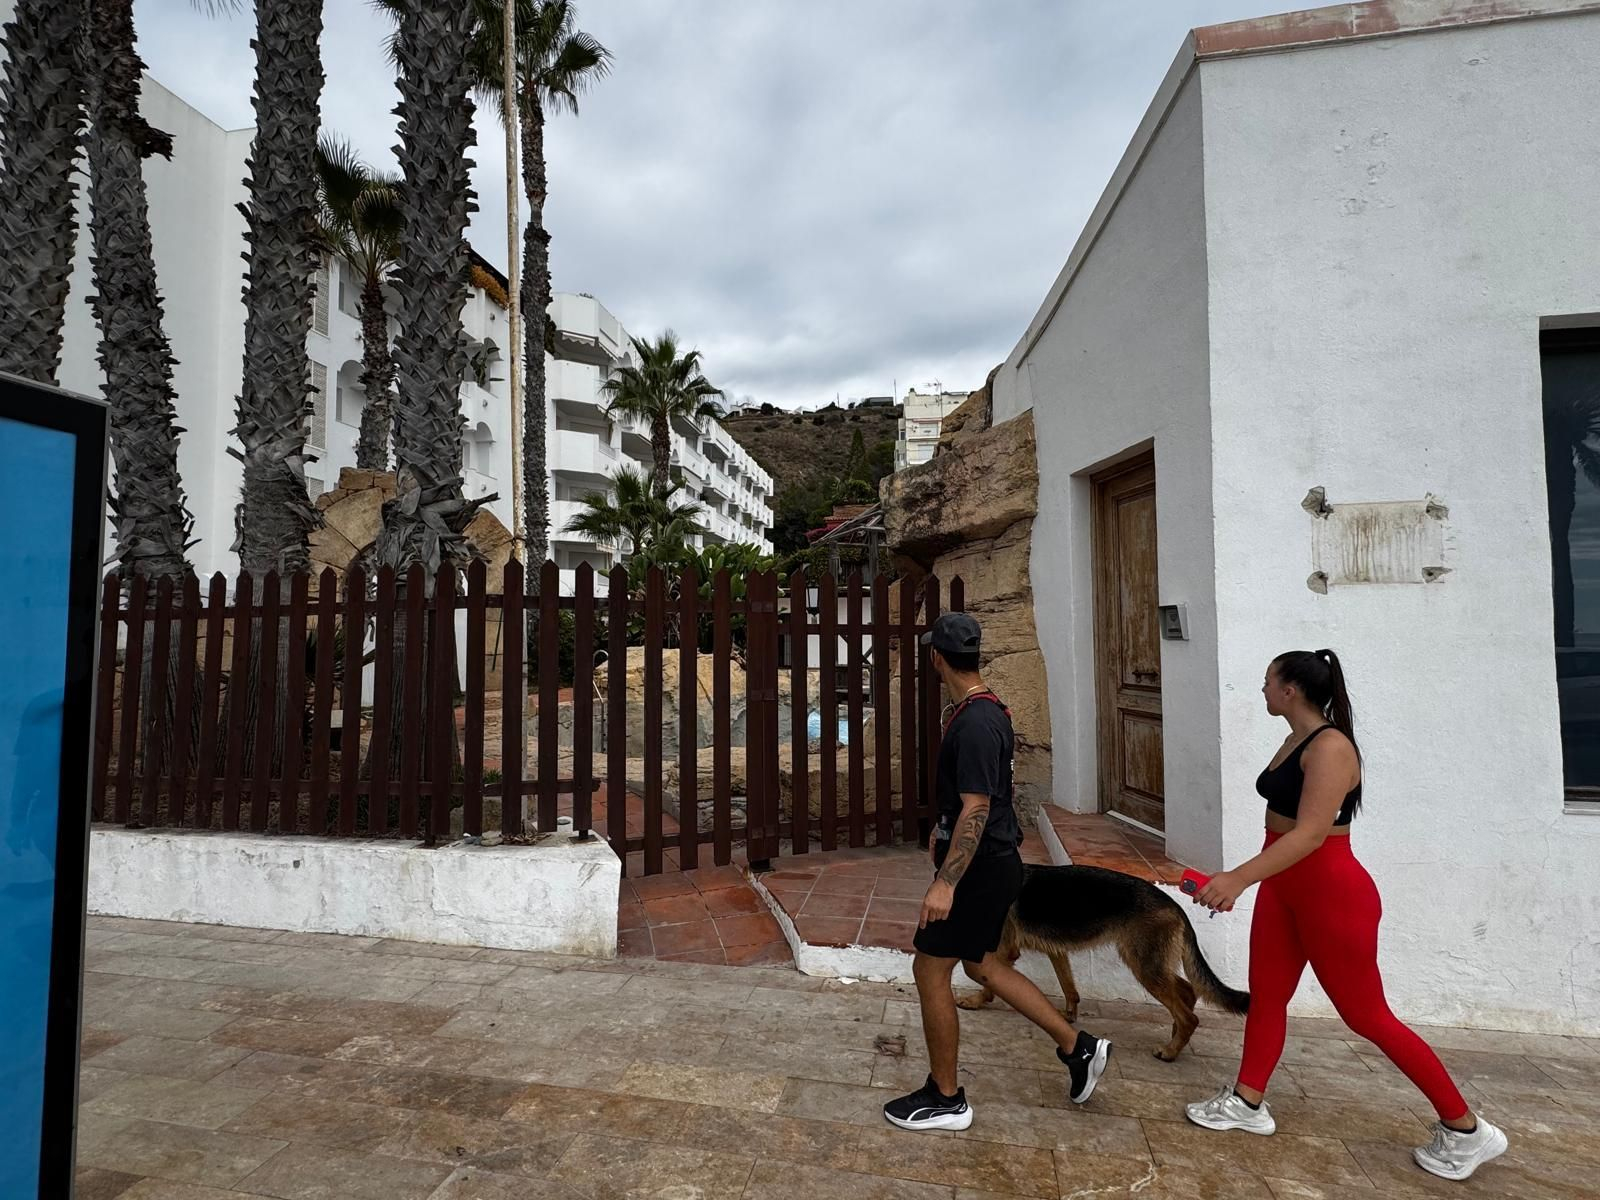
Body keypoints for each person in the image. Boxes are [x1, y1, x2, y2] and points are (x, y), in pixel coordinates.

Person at [1184, 649, 1508, 1182]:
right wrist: (1251, 879)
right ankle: (1247, 1101)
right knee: (1268, 995)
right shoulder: (1295, 738)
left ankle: (1467, 1129)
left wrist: (1238, 878)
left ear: (1291, 690)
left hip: (1331, 894)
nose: (1261, 689)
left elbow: (1311, 834)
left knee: (1367, 1017)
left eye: (1268, 681)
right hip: (1287, 889)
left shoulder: (1330, 747)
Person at [883, 612, 1112, 1132]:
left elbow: (978, 807)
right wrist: (943, 833)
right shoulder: (981, 710)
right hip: (993, 862)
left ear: (938, 657)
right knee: (983, 965)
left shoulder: (978, 722)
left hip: (981, 871)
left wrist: (946, 882)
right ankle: (1078, 1047)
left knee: (929, 968)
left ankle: (946, 1097)